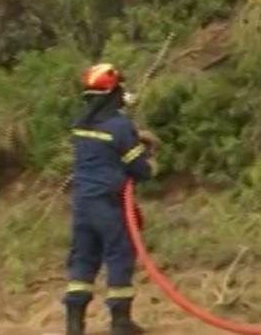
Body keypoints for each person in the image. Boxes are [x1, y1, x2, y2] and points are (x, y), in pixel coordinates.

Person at [64, 63, 157, 335]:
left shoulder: (80, 125)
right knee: (119, 255)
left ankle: (74, 324)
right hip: (109, 204)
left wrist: (134, 137)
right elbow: (139, 169)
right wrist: (148, 156)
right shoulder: (119, 125)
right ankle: (120, 322)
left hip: (83, 203)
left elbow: (103, 147)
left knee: (83, 258)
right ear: (113, 93)